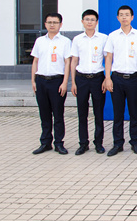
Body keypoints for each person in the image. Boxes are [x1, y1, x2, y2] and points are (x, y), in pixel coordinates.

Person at [103, 5, 137, 157]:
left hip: (134, 78)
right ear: (117, 18)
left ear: (132, 17)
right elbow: (108, 57)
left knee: (134, 113)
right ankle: (118, 144)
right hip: (117, 78)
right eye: (121, 15)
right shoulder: (113, 36)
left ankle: (135, 142)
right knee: (118, 113)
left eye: (127, 15)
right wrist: (107, 78)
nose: (124, 17)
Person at [31, 12, 72, 155]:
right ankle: (45, 142)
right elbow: (35, 61)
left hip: (57, 81)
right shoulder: (39, 41)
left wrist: (65, 82)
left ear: (60, 24)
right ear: (45, 24)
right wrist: (33, 81)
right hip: (41, 80)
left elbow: (67, 62)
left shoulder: (65, 42)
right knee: (44, 114)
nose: (52, 25)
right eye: (49, 22)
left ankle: (59, 143)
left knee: (58, 114)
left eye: (55, 22)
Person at [70, 9, 108, 155]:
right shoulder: (77, 39)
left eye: (92, 20)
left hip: (98, 79)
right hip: (81, 79)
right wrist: (73, 82)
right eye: (87, 19)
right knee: (82, 113)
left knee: (98, 113)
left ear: (96, 22)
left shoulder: (103, 38)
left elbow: (108, 59)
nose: (89, 22)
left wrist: (106, 78)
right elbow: (74, 61)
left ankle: (98, 143)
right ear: (82, 22)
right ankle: (83, 143)